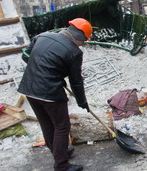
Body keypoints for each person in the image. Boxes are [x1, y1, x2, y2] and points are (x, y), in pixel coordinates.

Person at [18, 18, 92, 171]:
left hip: (29, 89)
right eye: (84, 41)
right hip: (49, 92)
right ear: (81, 37)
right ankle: (61, 165)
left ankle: (59, 153)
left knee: (47, 124)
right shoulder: (74, 52)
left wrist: (43, 70)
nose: (83, 44)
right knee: (61, 126)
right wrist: (82, 101)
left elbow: (25, 55)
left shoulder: (42, 36)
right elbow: (76, 81)